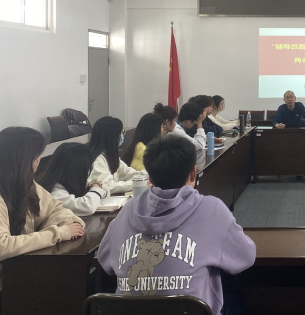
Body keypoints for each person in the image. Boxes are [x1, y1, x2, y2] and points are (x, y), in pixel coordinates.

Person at [97, 135, 256, 315]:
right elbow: (246, 256)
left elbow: (104, 261)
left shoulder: (126, 211)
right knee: (233, 293)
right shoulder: (213, 209)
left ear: (150, 177)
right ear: (193, 173)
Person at [0, 127, 85, 314]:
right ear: (22, 160)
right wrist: (59, 233)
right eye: (36, 157)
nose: (38, 162)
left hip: (16, 276)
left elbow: (56, 209)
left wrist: (68, 225)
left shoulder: (23, 183)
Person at [37, 142, 110, 216]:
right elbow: (87, 207)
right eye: (86, 169)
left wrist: (94, 187)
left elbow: (105, 190)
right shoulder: (54, 193)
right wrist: (95, 188)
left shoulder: (69, 183)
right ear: (77, 170)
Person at [88, 116, 139, 194]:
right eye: (121, 133)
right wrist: (138, 183)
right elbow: (107, 186)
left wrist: (149, 176)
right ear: (112, 137)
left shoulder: (110, 156)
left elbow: (127, 173)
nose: (122, 136)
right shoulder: (98, 160)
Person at [170, 101, 208, 172]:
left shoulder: (179, 126)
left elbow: (192, 140)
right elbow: (199, 145)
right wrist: (200, 122)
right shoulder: (177, 131)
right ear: (188, 121)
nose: (195, 123)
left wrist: (208, 138)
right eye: (195, 121)